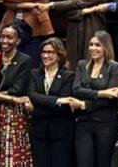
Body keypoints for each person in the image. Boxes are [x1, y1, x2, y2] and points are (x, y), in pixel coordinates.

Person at [0, 24, 33, 165]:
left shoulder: (24, 60)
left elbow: (17, 89)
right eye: (2, 37)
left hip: (14, 114)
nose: (5, 41)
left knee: (13, 152)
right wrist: (12, 98)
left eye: (10, 37)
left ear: (18, 41)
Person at [40, 0, 110, 67]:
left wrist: (52, 5)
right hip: (74, 29)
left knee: (89, 60)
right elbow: (69, 9)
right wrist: (83, 12)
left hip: (91, 28)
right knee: (72, 61)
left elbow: (76, 3)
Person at [28, 38, 80, 167]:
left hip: (61, 132)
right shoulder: (34, 73)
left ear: (59, 54)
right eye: (43, 52)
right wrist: (56, 100)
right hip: (39, 131)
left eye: (50, 52)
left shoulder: (69, 75)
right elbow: (32, 95)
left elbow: (64, 105)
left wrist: (38, 106)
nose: (46, 55)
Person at [72, 31, 118, 167]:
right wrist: (100, 93)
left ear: (106, 47)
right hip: (83, 124)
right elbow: (76, 90)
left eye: (98, 45)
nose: (93, 48)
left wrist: (84, 104)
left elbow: (111, 97)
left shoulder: (114, 67)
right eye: (91, 44)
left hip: (105, 124)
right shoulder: (82, 65)